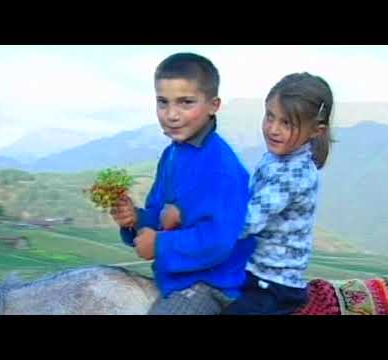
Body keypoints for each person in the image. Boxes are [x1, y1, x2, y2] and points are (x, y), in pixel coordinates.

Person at [110, 52, 255, 315]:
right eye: (162, 102)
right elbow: (159, 215)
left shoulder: (221, 167)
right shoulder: (173, 154)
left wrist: (160, 245)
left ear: (213, 105)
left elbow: (217, 240)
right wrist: (135, 219)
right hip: (178, 275)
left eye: (186, 102)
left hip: (213, 283)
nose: (171, 115)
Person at [222, 72, 334, 315]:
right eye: (270, 116)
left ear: (316, 130)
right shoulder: (276, 158)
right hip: (254, 266)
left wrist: (200, 222)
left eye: (287, 123)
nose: (273, 129)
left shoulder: (293, 173)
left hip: (274, 282)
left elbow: (247, 222)